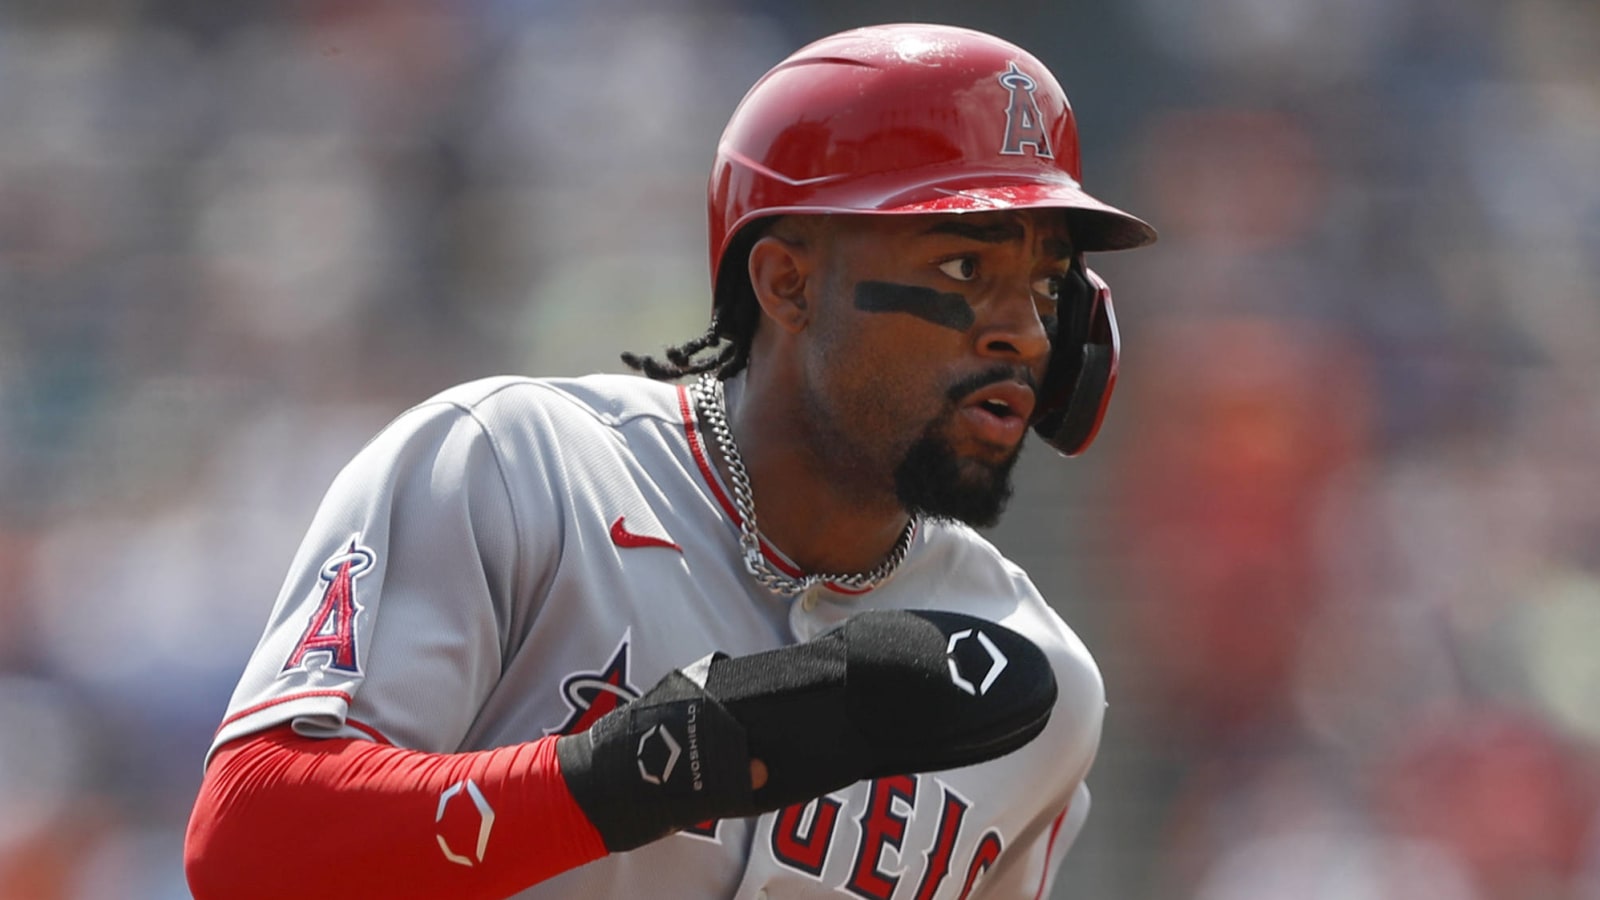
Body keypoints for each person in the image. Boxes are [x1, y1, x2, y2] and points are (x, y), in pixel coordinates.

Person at [183, 22, 1156, 900]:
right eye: (962, 268)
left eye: (1045, 285)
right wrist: (633, 770)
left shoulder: (1031, 685)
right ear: (787, 282)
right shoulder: (512, 470)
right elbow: (249, 845)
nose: (1023, 335)